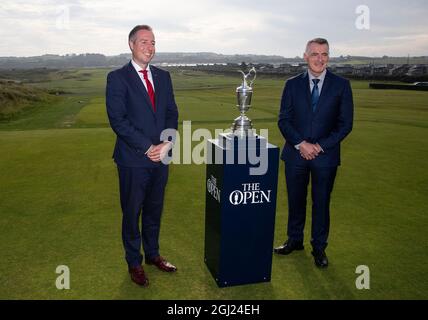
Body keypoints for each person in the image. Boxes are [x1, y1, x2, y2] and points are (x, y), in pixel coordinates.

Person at [106, 25, 179, 286]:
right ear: (131, 44)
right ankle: (134, 262)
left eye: (153, 43)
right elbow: (118, 120)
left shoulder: (164, 76)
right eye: (144, 42)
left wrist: (167, 144)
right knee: (132, 212)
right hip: (133, 160)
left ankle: (153, 255)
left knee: (154, 210)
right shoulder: (117, 78)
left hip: (162, 158)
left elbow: (172, 113)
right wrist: (149, 148)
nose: (150, 47)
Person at [274, 38, 353, 268]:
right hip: (295, 155)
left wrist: (318, 146)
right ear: (305, 56)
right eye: (315, 54)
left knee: (321, 203)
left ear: (328, 57)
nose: (320, 59)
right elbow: (284, 120)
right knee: (296, 200)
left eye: (325, 54)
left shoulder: (341, 85)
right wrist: (301, 144)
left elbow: (345, 124)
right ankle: (294, 240)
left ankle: (319, 248)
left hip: (325, 157)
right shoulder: (292, 84)